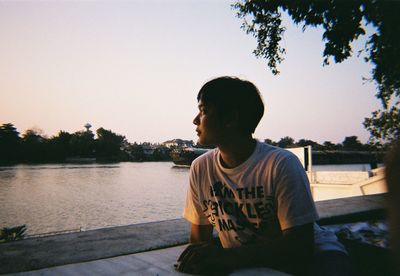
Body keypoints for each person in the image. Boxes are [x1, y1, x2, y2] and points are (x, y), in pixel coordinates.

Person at [176, 76, 350, 275]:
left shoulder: (280, 164)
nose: (196, 120)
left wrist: (226, 257)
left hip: (318, 259)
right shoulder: (201, 167)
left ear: (230, 119)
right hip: (249, 265)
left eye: (204, 111)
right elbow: (199, 239)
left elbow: (299, 247)